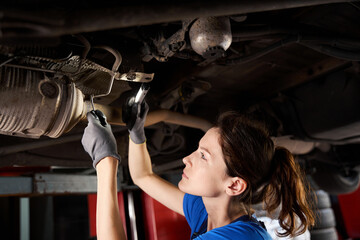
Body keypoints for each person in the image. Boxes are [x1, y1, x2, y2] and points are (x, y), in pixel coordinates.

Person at [82, 105, 315, 240]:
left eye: (203, 155)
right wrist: (137, 133)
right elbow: (144, 176)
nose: (186, 159)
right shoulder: (208, 213)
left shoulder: (239, 238)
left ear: (234, 185)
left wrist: (105, 162)